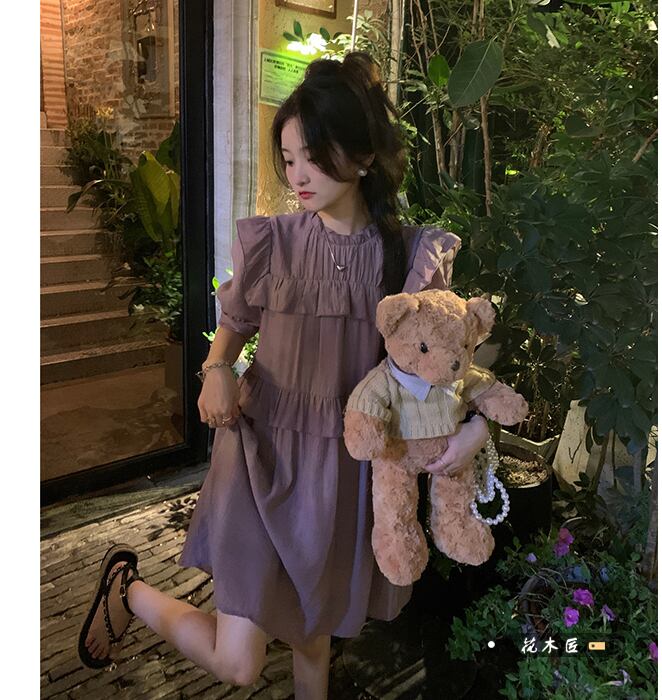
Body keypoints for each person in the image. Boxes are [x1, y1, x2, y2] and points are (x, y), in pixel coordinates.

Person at [77, 51, 490, 699]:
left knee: (313, 638)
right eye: (289, 157)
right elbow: (234, 326)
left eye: (313, 157)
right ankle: (129, 591)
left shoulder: (411, 259)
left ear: (363, 157)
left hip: (346, 468)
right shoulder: (276, 243)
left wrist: (472, 428)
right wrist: (216, 368)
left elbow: (442, 361)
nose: (297, 174)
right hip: (262, 452)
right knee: (239, 664)